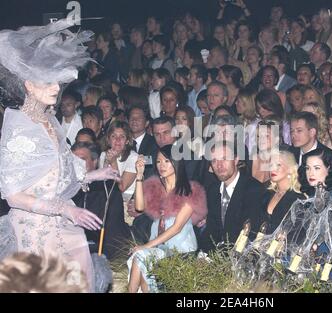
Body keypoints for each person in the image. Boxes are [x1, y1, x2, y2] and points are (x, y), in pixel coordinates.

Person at [0, 19, 119, 291]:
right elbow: (13, 195)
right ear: (29, 85)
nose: (56, 87)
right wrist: (65, 208)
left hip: (63, 224)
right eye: (48, 80)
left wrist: (94, 174)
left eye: (58, 80)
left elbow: (56, 175)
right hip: (34, 232)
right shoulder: (19, 127)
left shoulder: (49, 121)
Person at [127, 146, 207, 292]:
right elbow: (139, 207)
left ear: (176, 162)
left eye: (166, 161)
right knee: (140, 258)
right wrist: (139, 176)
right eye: (158, 161)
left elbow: (177, 228)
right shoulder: (155, 187)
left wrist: (147, 246)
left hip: (181, 249)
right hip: (158, 246)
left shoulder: (189, 190)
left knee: (142, 260)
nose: (161, 165)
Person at [199, 140, 265, 252]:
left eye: (224, 159)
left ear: (235, 160)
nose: (219, 165)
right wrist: (205, 255)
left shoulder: (253, 189)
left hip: (242, 256)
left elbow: (250, 233)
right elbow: (212, 229)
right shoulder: (213, 190)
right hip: (216, 256)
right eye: (214, 161)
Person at [72, 142, 131, 260]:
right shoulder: (65, 187)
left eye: (82, 159)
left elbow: (111, 229)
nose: (76, 163)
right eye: (72, 159)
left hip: (103, 248)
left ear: (94, 162)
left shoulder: (106, 186)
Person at [249, 148, 305, 235]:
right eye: (271, 165)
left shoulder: (299, 199)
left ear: (290, 169)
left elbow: (297, 235)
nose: (273, 169)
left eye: (278, 165)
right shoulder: (266, 194)